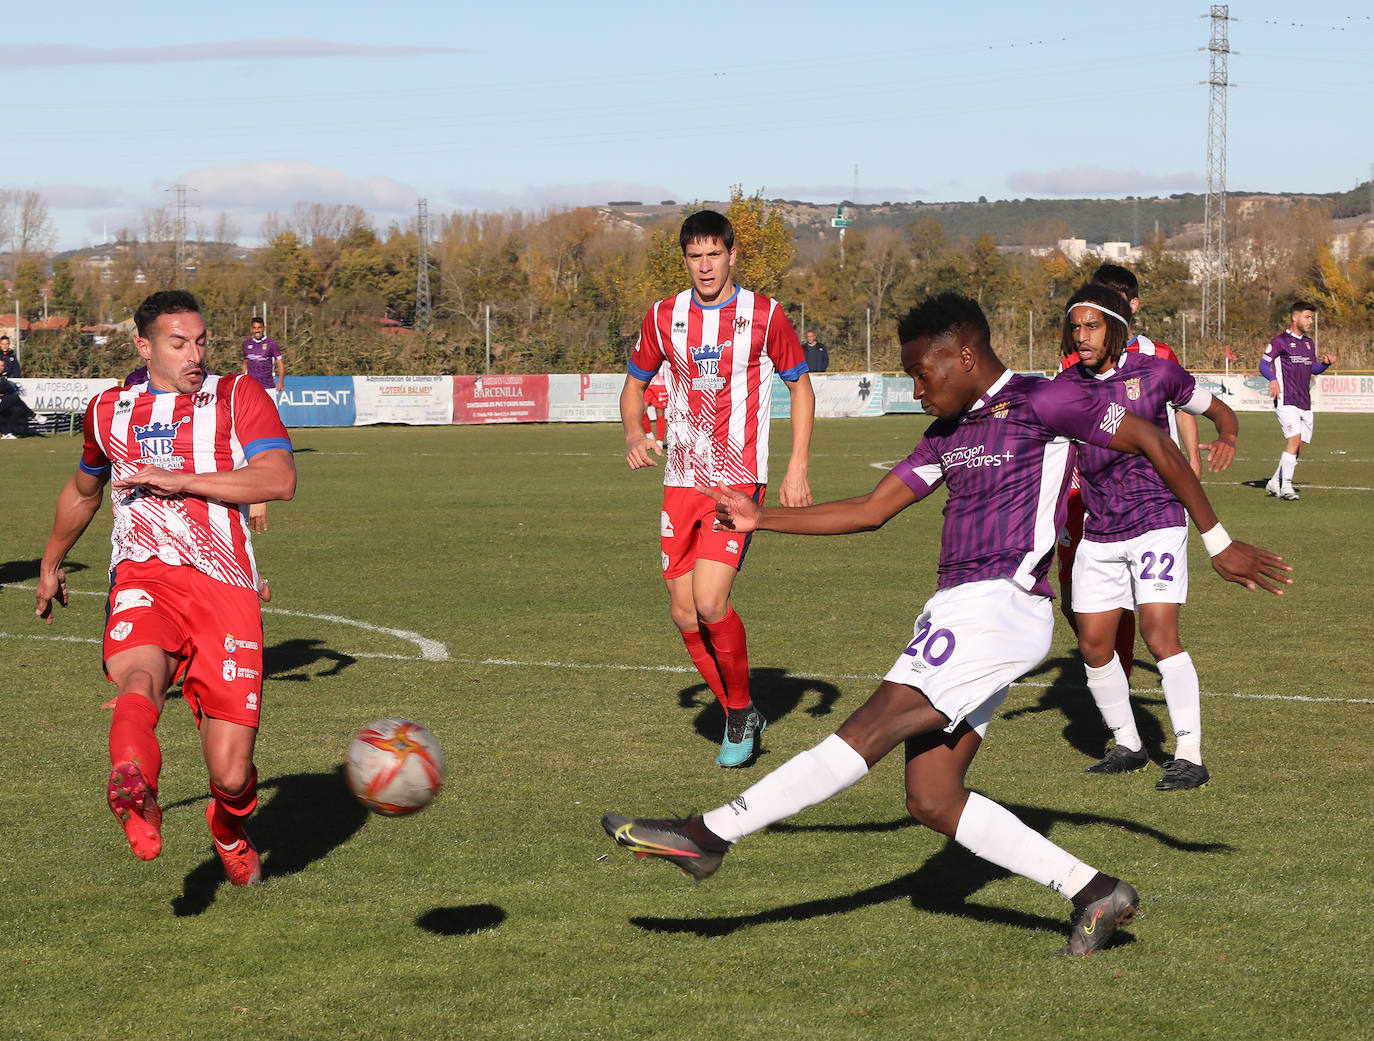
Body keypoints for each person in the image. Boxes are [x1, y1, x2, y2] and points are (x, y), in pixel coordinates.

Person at [603, 292, 1290, 955]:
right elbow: (871, 509)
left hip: (999, 608)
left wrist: (1218, 538)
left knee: (867, 729)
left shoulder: (1044, 399)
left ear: (964, 357)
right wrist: (762, 517)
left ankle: (710, 833)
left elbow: (1155, 443)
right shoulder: (946, 433)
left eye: (921, 374)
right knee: (932, 796)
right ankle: (1095, 890)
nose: (916, 390)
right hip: (961, 611)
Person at [35, 289, 295, 886]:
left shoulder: (236, 395)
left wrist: (180, 479)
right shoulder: (108, 411)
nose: (195, 353)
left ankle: (228, 828)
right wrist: (51, 562)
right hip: (142, 576)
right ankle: (134, 784)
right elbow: (82, 491)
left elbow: (279, 479)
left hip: (224, 586)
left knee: (231, 774)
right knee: (139, 679)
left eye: (201, 340)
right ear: (144, 346)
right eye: (179, 343)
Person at [619, 209, 816, 768]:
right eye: (694, 256)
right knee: (684, 615)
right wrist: (634, 430)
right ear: (685, 260)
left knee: (710, 601)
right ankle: (742, 708)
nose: (705, 266)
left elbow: (800, 387)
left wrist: (796, 465)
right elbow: (633, 387)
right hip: (681, 478)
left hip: (737, 479)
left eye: (714, 254)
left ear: (732, 255)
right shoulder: (663, 317)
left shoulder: (765, 314)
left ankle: (737, 711)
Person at [1056, 283, 1239, 789]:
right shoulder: (1066, 382)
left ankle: (1190, 756)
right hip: (1100, 526)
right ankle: (1129, 744)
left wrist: (1227, 433)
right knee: (1093, 644)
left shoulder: (1158, 371)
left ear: (1115, 326)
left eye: (1091, 326)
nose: (1081, 335)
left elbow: (1219, 408)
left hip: (1157, 519)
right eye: (1076, 326)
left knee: (1159, 636)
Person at [1054, 263, 1201, 680]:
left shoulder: (1159, 357)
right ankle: (1110, 672)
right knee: (1073, 602)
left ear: (1130, 306)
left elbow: (1185, 402)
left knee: (1137, 604)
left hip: (1147, 494)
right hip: (1083, 490)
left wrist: (1191, 456)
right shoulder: (1076, 355)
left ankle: (1117, 687)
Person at [1260, 301, 1335, 501]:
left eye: (1312, 317)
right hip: (1286, 400)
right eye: (1307, 317)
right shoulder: (1280, 342)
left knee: (1299, 446)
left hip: (1304, 402)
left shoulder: (1309, 343)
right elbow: (1263, 366)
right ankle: (1287, 487)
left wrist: (1325, 365)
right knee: (1293, 440)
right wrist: (1273, 379)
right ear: (1295, 317)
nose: (1311, 320)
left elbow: (1312, 369)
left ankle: (1275, 482)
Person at [242, 317, 285, 404]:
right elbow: (245, 364)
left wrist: (280, 381)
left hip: (268, 387)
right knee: (252, 414)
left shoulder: (271, 343)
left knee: (271, 415)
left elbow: (280, 364)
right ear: (251, 329)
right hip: (252, 387)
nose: (257, 330)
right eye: (254, 328)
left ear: (264, 328)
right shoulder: (246, 344)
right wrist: (243, 382)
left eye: (259, 328)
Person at [640, 371, 668, 450]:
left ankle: (659, 441)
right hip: (647, 384)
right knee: (642, 409)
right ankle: (649, 436)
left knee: (660, 412)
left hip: (661, 384)